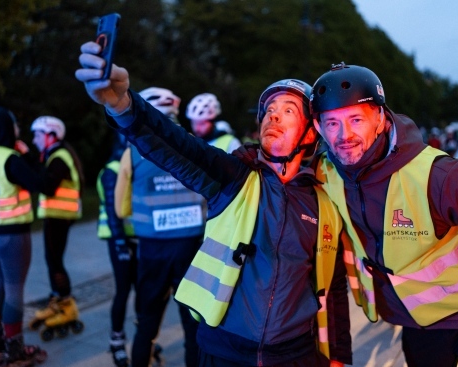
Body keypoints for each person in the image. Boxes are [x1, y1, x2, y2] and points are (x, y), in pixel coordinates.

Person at [76, 41, 352, 366]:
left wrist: (337, 357)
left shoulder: (325, 200)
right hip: (224, 350)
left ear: (310, 134)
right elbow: (177, 145)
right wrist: (124, 105)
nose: (272, 117)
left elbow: (332, 287)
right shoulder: (235, 177)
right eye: (269, 111)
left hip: (295, 354)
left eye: (288, 111)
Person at [310, 62, 458, 367]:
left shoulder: (439, 175)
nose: (344, 134)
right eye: (332, 123)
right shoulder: (325, 172)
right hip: (416, 322)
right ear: (319, 128)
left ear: (381, 119)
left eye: (356, 119)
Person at [114, 86, 203, 367]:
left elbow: (120, 208)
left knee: (147, 323)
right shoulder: (194, 143)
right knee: (194, 327)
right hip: (192, 247)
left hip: (152, 249)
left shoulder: (133, 150)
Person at [0, 107, 47, 366]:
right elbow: (39, 184)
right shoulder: (11, 159)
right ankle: (14, 347)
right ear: (4, 129)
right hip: (12, 234)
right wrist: (28, 154)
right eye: (13, 123)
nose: (17, 127)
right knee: (14, 290)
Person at [28, 116, 85, 338]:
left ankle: (67, 306)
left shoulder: (59, 157)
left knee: (55, 261)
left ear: (51, 136)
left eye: (37, 135)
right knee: (53, 260)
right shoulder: (55, 155)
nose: (34, 140)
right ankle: (58, 301)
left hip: (59, 216)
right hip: (57, 216)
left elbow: (47, 186)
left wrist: (26, 159)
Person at [97, 132, 137, 367]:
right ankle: (116, 340)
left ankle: (143, 336)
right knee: (123, 290)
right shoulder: (113, 169)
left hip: (138, 238)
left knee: (141, 289)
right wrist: (121, 242)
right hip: (119, 239)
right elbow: (114, 211)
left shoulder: (132, 164)